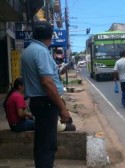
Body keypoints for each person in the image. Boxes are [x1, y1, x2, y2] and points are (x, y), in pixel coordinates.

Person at [21, 21, 71, 168]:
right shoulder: (41, 51)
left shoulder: (29, 50)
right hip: (46, 103)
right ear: (50, 37)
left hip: (39, 102)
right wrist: (62, 108)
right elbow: (47, 82)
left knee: (42, 144)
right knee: (47, 146)